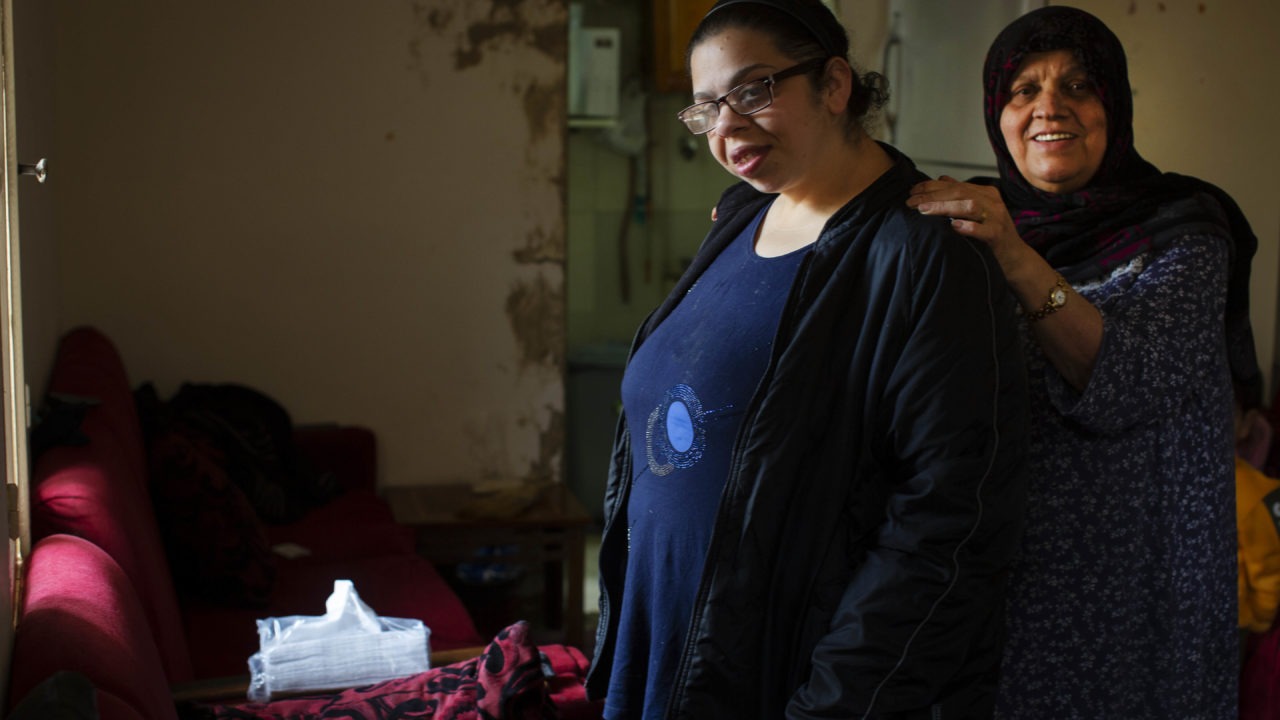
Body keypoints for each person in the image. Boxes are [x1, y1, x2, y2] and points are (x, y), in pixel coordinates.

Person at [584, 1, 1029, 717]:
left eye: (754, 90)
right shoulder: (739, 221)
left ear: (834, 84)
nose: (726, 127)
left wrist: (834, 703)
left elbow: (951, 523)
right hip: (668, 650)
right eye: (704, 109)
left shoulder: (923, 253)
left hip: (791, 677)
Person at [906, 6, 1262, 717]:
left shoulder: (1186, 230)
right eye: (1023, 90)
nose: (1050, 108)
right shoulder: (970, 219)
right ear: (997, 115)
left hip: (1141, 581)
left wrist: (1011, 253)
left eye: (1078, 86)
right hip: (1008, 571)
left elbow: (1125, 378)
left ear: (1115, 106)